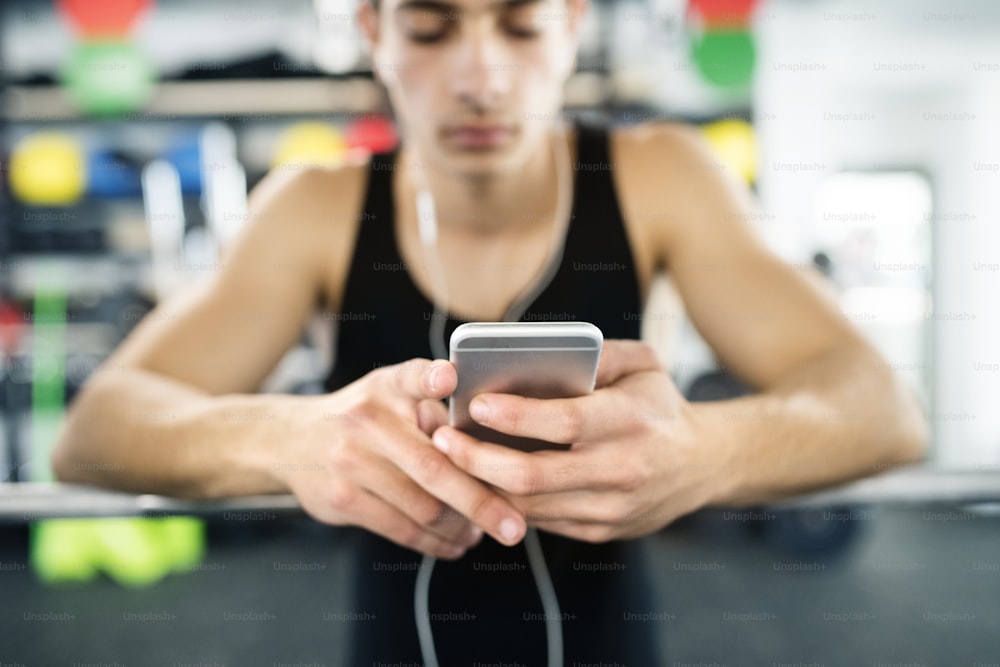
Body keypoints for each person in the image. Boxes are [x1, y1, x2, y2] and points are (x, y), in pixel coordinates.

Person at [52, 0, 928, 663]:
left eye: (519, 27)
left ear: (572, 26)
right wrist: (286, 434)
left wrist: (708, 450)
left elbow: (883, 407)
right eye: (431, 30)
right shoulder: (312, 208)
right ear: (374, 34)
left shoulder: (664, 177)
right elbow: (96, 430)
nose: (480, 77)